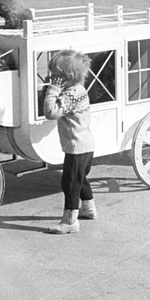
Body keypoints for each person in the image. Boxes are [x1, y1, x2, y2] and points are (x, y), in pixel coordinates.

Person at [42, 50, 96, 234]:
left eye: (55, 77)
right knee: (80, 179)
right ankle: (88, 209)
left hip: (77, 147)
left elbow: (51, 113)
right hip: (86, 145)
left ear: (67, 77)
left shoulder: (69, 95)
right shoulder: (79, 90)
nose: (52, 79)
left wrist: (52, 91)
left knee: (70, 183)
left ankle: (70, 221)